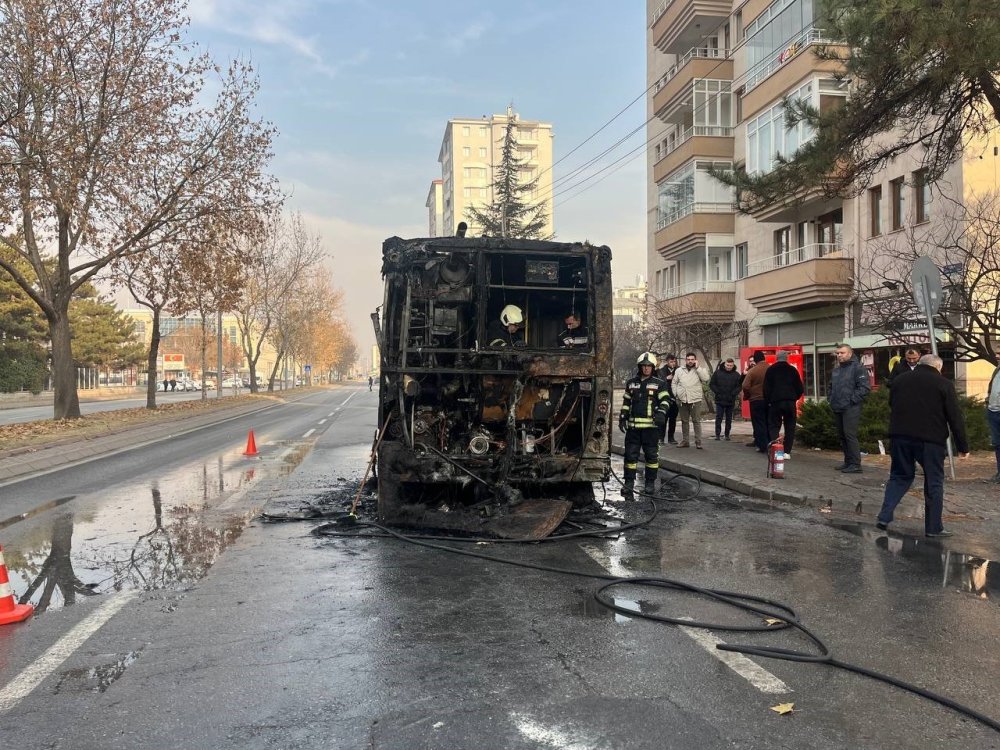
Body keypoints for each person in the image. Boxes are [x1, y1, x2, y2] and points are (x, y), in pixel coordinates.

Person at [876, 354, 969, 537]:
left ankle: (884, 516)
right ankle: (934, 528)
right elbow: (955, 417)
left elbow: (892, 404)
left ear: (919, 363)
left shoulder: (900, 380)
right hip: (930, 440)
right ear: (938, 367)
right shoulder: (943, 384)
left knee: (899, 476)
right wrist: (963, 446)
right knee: (934, 481)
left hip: (900, 436)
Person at [619, 352, 671, 499]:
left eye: (649, 366)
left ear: (653, 367)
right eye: (644, 366)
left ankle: (649, 484)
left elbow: (666, 400)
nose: (646, 369)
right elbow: (626, 402)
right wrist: (623, 417)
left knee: (651, 458)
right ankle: (628, 483)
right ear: (640, 367)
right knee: (630, 457)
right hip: (633, 429)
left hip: (651, 429)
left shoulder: (659, 383)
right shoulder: (631, 383)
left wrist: (661, 413)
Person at [829, 343, 871, 473]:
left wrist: (851, 401)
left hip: (850, 407)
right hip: (837, 406)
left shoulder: (858, 368)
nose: (839, 355)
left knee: (849, 435)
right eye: (838, 353)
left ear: (850, 353)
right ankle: (848, 462)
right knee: (842, 435)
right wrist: (830, 399)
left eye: (842, 353)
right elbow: (831, 386)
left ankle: (856, 464)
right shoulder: (837, 369)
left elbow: (864, 388)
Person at [763, 350, 804, 456]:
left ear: (776, 358)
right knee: (790, 426)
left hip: (775, 402)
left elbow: (766, 388)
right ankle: (787, 451)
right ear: (787, 358)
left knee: (774, 425)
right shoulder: (792, 370)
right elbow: (799, 388)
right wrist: (794, 398)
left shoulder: (771, 370)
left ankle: (776, 450)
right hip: (790, 402)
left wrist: (769, 401)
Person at [672, 352, 710, 449]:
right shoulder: (679, 370)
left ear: (695, 360)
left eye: (692, 359)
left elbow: (706, 378)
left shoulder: (699, 370)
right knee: (684, 421)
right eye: (688, 359)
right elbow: (674, 383)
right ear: (686, 360)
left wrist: (698, 368)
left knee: (696, 421)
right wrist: (676, 394)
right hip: (682, 399)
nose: (690, 361)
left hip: (695, 399)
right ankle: (685, 441)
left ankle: (698, 442)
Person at [741, 351, 770, 452]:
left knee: (758, 423)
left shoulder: (753, 371)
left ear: (756, 360)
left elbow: (745, 385)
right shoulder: (770, 368)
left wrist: (747, 395)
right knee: (768, 422)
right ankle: (770, 442)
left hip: (756, 400)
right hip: (769, 400)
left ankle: (762, 445)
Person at [709, 358, 742, 440]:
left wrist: (733, 394)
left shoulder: (736, 375)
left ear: (733, 365)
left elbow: (739, 386)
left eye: (731, 365)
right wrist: (718, 392)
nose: (729, 367)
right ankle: (717, 434)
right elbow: (712, 384)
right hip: (720, 399)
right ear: (724, 364)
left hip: (730, 400)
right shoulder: (717, 373)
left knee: (729, 418)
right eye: (727, 365)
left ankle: (727, 435)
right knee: (719, 417)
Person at [656, 353, 680, 444]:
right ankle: (661, 438)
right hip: (665, 398)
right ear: (667, 362)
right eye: (671, 361)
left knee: (673, 419)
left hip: (675, 398)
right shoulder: (661, 371)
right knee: (664, 419)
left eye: (674, 361)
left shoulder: (678, 370)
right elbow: (658, 383)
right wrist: (666, 378)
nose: (673, 363)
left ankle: (671, 438)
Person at [986, 340, 1000, 484]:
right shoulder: (997, 370)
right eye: (997, 353)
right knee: (997, 444)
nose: (997, 356)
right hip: (993, 411)